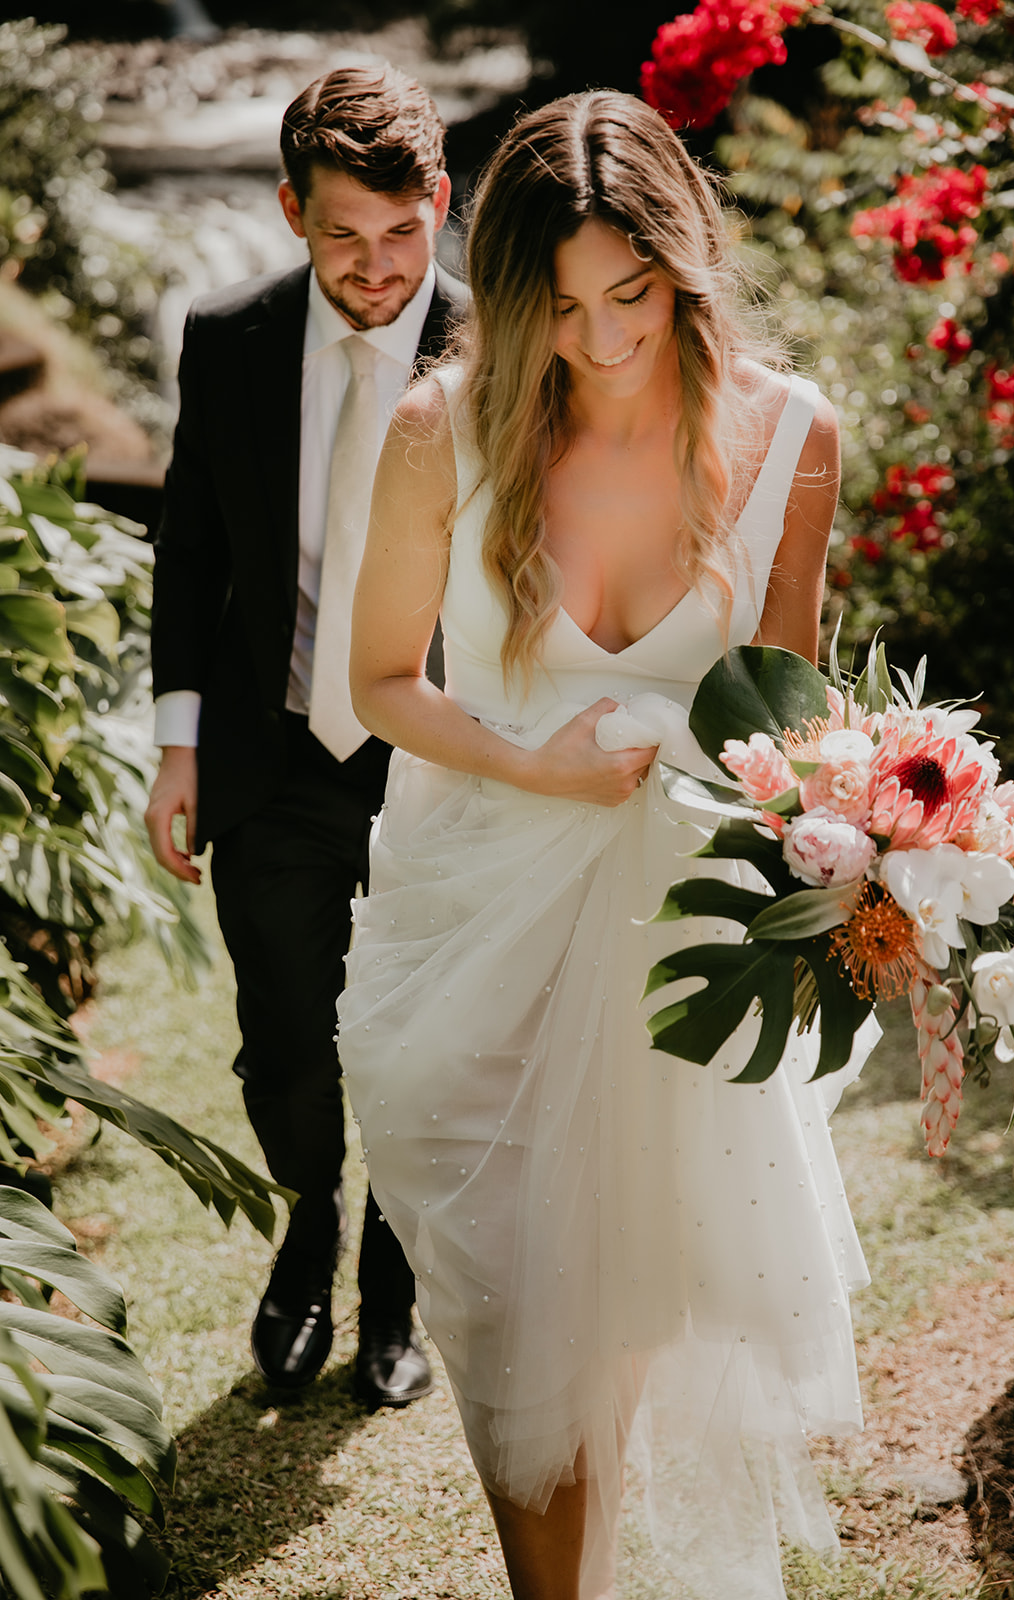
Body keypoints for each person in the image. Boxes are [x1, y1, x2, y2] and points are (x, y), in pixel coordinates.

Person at [337, 91, 875, 1598]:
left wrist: (874, 831)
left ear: (685, 263)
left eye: (630, 295)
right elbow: (381, 681)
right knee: (511, 1315)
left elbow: (789, 699)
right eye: (560, 307)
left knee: (620, 1307)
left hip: (677, 947)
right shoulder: (446, 427)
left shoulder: (789, 434)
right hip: (477, 926)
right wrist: (530, 760)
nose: (601, 338)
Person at [145, 64, 467, 1403]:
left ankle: (393, 1280)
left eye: (403, 234)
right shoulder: (224, 340)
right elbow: (190, 548)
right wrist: (177, 743)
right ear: (291, 210)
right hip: (270, 751)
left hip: (439, 762)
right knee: (284, 1027)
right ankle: (310, 1222)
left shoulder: (494, 347)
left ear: (439, 205)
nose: (379, 266)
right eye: (346, 235)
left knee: (415, 1034)